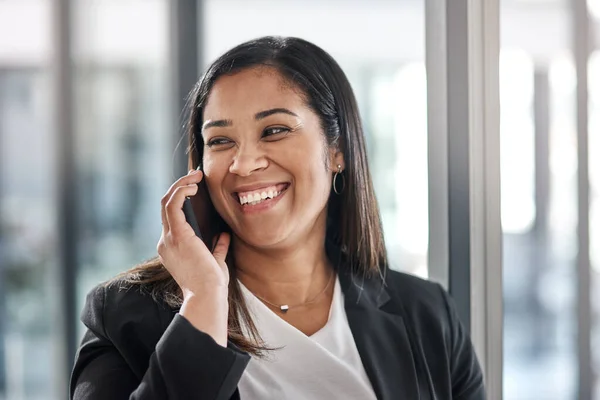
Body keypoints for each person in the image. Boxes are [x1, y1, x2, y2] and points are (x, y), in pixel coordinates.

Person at [70, 36, 485, 400]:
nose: (244, 163)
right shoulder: (123, 316)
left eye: (274, 131)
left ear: (337, 150)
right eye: (220, 140)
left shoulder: (428, 315)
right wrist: (202, 304)